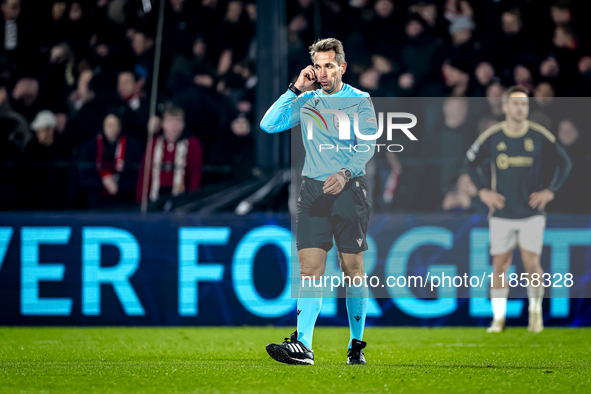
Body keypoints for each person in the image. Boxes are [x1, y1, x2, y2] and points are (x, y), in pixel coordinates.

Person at [260, 38, 376, 365]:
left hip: (349, 190)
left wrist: (346, 172)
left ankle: (356, 344)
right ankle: (305, 347)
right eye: (318, 66)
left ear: (342, 66)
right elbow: (268, 125)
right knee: (310, 269)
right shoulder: (307, 100)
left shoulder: (359, 100)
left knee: (352, 270)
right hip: (312, 191)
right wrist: (295, 88)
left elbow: (367, 145)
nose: (322, 73)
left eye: (329, 65)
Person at [464, 86, 571, 333]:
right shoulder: (492, 136)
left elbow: (564, 162)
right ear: (505, 108)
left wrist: (550, 190)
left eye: (524, 104)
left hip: (531, 212)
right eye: (515, 104)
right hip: (501, 212)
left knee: (532, 262)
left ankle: (535, 315)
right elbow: (469, 162)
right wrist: (482, 191)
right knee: (500, 264)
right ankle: (498, 318)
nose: (520, 108)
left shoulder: (539, 135)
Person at [137, 106, 203, 207]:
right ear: (162, 124)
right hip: (155, 198)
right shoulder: (154, 143)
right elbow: (145, 174)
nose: (174, 126)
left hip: (180, 200)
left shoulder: (192, 144)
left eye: (178, 121)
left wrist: (191, 203)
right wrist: (141, 202)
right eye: (170, 121)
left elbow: (195, 176)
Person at [78, 113, 142, 209]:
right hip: (96, 201)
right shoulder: (90, 147)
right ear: (103, 126)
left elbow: (138, 176)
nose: (112, 129)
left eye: (115, 125)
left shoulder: (132, 146)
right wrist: (103, 181)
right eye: (109, 125)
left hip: (124, 201)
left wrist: (118, 183)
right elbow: (83, 177)